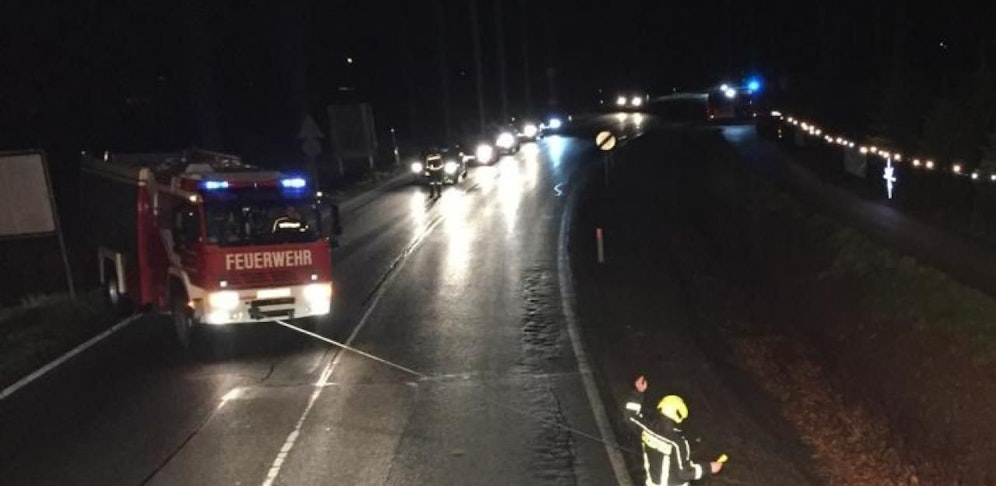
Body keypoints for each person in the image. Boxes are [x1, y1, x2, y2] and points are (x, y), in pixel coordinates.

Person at [623, 375, 723, 486]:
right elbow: (684, 473)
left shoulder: (647, 428)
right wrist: (709, 468)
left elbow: (630, 416)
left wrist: (638, 392)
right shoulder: (677, 443)